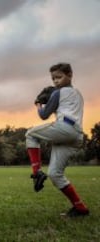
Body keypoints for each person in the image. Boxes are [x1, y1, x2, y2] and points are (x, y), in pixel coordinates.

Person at [25, 62, 89, 217]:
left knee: (30, 134)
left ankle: (37, 172)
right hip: (76, 135)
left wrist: (39, 105)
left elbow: (44, 115)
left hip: (65, 128)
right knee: (55, 174)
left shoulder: (57, 93)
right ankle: (81, 208)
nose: (55, 81)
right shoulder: (78, 94)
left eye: (59, 77)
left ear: (70, 75)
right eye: (53, 78)